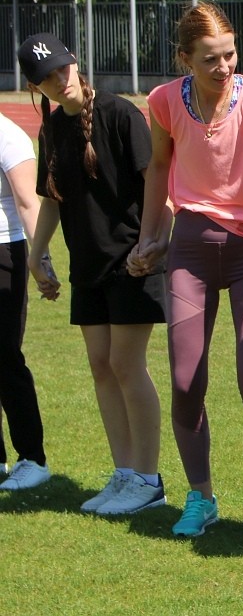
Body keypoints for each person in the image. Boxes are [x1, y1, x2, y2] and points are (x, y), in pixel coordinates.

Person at [128, 2, 243, 543]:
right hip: (191, 249)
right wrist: (149, 236)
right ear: (184, 58)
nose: (224, 66)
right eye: (210, 59)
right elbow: (159, 167)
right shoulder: (162, 102)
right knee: (186, 381)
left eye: (230, 54)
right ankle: (200, 497)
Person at [20, 32, 171, 514]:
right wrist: (37, 252)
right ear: (35, 86)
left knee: (127, 365)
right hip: (86, 265)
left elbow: (156, 185)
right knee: (101, 368)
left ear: (75, 63)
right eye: (46, 78)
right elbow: (52, 200)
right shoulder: (51, 131)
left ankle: (148, 480)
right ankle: (124, 473)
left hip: (131, 261)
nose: (58, 80)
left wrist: (152, 241)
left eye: (61, 69)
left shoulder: (119, 113)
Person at [0, 90, 49, 493]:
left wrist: (40, 260)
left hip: (3, 253)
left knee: (5, 359)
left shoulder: (8, 134)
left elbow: (28, 203)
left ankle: (32, 458)